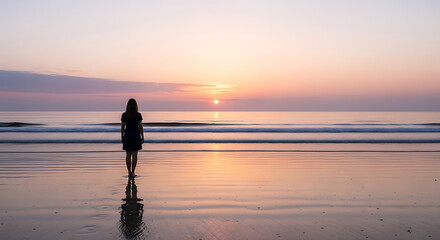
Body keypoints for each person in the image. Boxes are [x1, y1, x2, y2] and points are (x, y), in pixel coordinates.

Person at [121, 98, 144, 177]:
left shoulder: (124, 115)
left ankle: (129, 172)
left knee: (128, 154)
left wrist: (122, 136)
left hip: (127, 135)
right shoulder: (138, 115)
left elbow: (122, 127)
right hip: (135, 135)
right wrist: (142, 136)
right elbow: (140, 126)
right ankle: (133, 172)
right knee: (134, 154)